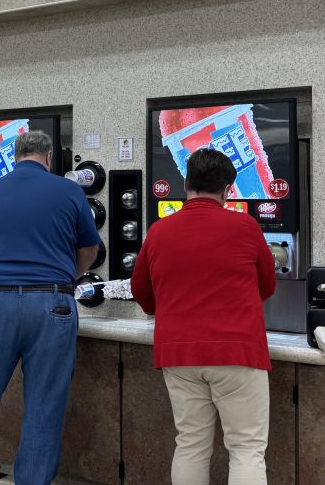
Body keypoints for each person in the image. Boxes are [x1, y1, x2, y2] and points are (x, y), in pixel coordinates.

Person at [0, 131, 101, 485]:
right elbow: (90, 250)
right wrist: (66, 278)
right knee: (44, 408)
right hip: (53, 305)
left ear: (15, 156)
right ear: (49, 157)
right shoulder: (69, 191)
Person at [130, 148, 277, 485]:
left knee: (191, 444)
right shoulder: (245, 226)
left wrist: (165, 309)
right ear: (227, 190)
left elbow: (141, 290)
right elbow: (266, 285)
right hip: (238, 352)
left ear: (186, 183)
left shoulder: (160, 231)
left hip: (179, 353)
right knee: (246, 448)